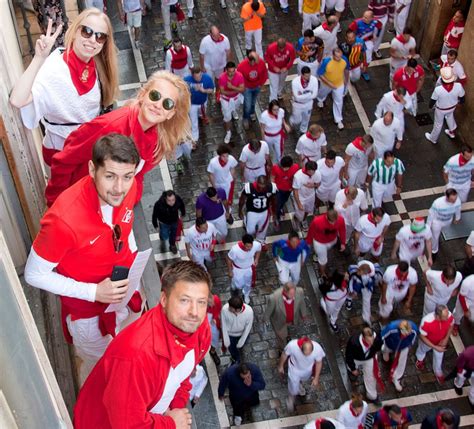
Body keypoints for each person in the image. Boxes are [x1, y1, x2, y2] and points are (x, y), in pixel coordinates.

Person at [25, 135, 143, 386]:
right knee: (101, 367)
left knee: (125, 351)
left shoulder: (129, 187)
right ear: (92, 169)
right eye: (110, 175)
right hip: (88, 313)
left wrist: (131, 260)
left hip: (124, 289)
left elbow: (127, 224)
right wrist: (94, 292)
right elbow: (33, 274)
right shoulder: (63, 220)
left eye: (127, 176)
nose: (119, 188)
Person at [73, 261, 212, 428]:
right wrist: (170, 424)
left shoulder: (200, 330)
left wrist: (176, 405)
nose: (194, 312)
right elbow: (126, 424)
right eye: (184, 300)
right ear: (164, 299)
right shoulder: (135, 357)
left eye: (201, 302)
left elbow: (183, 376)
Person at [45, 70, 191, 206]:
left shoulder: (156, 143)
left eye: (167, 104)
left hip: (103, 204)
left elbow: (137, 175)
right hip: (78, 199)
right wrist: (56, 204)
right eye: (155, 96)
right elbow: (64, 160)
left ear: (171, 114)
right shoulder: (111, 126)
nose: (158, 105)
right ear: (143, 95)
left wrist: (129, 201)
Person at [10, 10, 118, 166]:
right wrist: (39, 58)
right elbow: (17, 100)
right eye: (87, 32)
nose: (93, 40)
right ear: (75, 32)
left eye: (100, 36)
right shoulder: (55, 69)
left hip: (89, 148)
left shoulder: (99, 67)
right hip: (62, 152)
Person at [278, 337, 325, 412]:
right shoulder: (292, 345)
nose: (307, 356)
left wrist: (316, 378)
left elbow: (319, 362)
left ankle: (299, 385)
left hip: (307, 370)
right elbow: (284, 354)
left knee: (303, 380)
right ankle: (291, 398)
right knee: (293, 385)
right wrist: (281, 366)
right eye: (305, 354)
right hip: (294, 369)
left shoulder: (318, 348)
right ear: (300, 347)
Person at [425, 67, 466, 145]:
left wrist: (430, 107)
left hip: (440, 110)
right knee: (450, 117)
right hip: (452, 107)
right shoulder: (459, 86)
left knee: (438, 124)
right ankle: (452, 131)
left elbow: (432, 101)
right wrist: (458, 104)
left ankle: (433, 138)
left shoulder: (438, 90)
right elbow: (462, 99)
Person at [415, 304, 454, 383]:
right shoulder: (426, 321)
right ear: (437, 316)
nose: (447, 318)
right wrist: (434, 347)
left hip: (441, 342)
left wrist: (446, 338)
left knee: (439, 358)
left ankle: (438, 372)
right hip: (428, 342)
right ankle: (420, 359)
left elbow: (451, 325)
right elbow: (422, 336)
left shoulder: (449, 315)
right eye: (445, 317)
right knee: (422, 350)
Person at [345, 326, 383, 405]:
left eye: (372, 340)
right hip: (356, 359)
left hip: (370, 358)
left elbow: (379, 347)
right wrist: (353, 369)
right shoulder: (353, 341)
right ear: (363, 337)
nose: (371, 343)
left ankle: (372, 396)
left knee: (371, 376)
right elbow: (349, 356)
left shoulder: (378, 338)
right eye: (369, 341)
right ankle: (352, 375)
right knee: (351, 369)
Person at [264, 282, 308, 350]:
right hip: (279, 322)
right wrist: (265, 319)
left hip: (293, 319)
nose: (293, 296)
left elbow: (302, 303)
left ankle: (289, 336)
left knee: (292, 331)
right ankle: (283, 349)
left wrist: (304, 314)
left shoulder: (300, 291)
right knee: (281, 338)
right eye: (291, 294)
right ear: (285, 291)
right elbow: (268, 311)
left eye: (294, 293)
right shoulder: (274, 298)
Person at [238, 175, 277, 247]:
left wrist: (274, 212)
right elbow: (242, 200)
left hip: (264, 211)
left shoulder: (271, 187)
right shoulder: (249, 187)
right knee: (250, 231)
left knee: (263, 229)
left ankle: (260, 242)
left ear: (267, 183)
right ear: (257, 182)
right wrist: (240, 211)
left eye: (264, 186)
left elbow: (274, 200)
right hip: (252, 211)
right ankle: (245, 222)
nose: (262, 188)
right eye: (260, 185)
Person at [316, 48, 350, 130]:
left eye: (340, 56)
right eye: (337, 57)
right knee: (322, 93)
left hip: (339, 84)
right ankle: (320, 99)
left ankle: (338, 119)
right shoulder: (326, 61)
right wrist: (329, 83)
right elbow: (320, 74)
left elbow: (346, 69)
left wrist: (346, 79)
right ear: (333, 55)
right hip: (326, 83)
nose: (339, 59)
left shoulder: (344, 60)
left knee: (339, 101)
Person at [306, 209, 346, 277]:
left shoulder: (341, 219)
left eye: (335, 221)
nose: (333, 224)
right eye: (331, 221)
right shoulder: (317, 221)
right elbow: (311, 232)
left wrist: (343, 243)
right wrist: (308, 243)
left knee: (326, 253)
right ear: (326, 217)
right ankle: (322, 273)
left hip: (333, 240)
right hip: (320, 243)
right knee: (323, 260)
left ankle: (317, 255)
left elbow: (342, 230)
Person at [381, 319, 418, 392]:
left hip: (404, 346)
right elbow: (382, 336)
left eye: (408, 333)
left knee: (402, 361)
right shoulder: (391, 327)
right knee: (386, 350)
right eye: (405, 333)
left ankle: (396, 377)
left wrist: (407, 346)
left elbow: (413, 339)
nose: (406, 335)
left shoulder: (414, 329)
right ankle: (385, 351)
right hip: (390, 344)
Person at [348, 10, 383, 81]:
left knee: (368, 59)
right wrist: (351, 39)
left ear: (371, 18)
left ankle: (364, 71)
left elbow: (380, 27)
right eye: (363, 16)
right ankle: (351, 70)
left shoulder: (376, 22)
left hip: (368, 42)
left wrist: (376, 36)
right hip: (357, 42)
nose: (364, 18)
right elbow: (349, 30)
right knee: (354, 57)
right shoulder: (357, 22)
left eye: (366, 17)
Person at [237, 50, 268, 129]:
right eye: (253, 62)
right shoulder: (242, 66)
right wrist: (242, 87)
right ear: (249, 60)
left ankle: (252, 112)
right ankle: (245, 118)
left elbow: (264, 73)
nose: (254, 64)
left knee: (253, 101)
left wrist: (261, 84)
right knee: (247, 104)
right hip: (247, 88)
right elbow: (238, 77)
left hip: (257, 86)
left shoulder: (261, 62)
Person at [227, 234, 262, 303]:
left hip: (249, 269)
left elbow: (258, 250)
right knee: (238, 285)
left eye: (251, 246)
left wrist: (256, 259)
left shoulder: (256, 245)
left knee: (248, 283)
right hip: (238, 269)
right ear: (243, 243)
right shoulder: (235, 249)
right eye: (247, 246)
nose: (249, 248)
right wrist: (230, 271)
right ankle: (233, 283)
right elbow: (229, 259)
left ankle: (246, 294)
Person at [346, 260, 383, 325]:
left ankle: (366, 317)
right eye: (358, 270)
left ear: (366, 273)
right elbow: (350, 281)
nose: (358, 272)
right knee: (350, 293)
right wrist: (351, 291)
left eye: (360, 272)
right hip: (357, 284)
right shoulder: (354, 273)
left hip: (367, 286)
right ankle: (349, 301)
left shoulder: (374, 274)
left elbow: (378, 279)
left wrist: (375, 284)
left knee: (367, 301)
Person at [184, 66, 215, 144]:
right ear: (192, 75)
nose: (199, 79)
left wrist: (204, 90)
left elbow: (211, 90)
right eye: (196, 77)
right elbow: (181, 89)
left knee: (202, 113)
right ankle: (195, 137)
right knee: (194, 121)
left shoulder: (207, 78)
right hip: (192, 104)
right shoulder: (186, 80)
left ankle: (202, 116)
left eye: (200, 76)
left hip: (202, 102)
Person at [207, 144, 238, 219]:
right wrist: (214, 186)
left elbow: (233, 168)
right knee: (219, 199)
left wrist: (233, 178)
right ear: (220, 155)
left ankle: (228, 212)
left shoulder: (231, 159)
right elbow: (211, 175)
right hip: (218, 184)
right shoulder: (213, 162)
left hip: (227, 183)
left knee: (227, 199)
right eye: (224, 156)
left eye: (227, 156)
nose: (226, 158)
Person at [427, 189, 461, 256]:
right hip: (437, 222)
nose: (454, 201)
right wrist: (428, 225)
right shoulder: (437, 203)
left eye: (455, 198)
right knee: (435, 237)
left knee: (442, 232)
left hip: (448, 221)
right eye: (452, 200)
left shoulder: (457, 201)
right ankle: (434, 251)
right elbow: (431, 214)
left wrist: (457, 218)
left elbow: (458, 209)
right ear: (446, 197)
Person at [221, 295, 254, 363]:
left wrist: (242, 340)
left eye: (230, 308)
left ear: (237, 309)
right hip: (231, 335)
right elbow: (223, 324)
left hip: (242, 334)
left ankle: (240, 353)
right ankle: (235, 359)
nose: (228, 308)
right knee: (232, 350)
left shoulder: (249, 311)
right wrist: (226, 339)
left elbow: (248, 327)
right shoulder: (224, 309)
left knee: (242, 346)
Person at [152, 189, 186, 254]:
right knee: (164, 236)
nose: (172, 202)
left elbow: (182, 205)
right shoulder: (159, 204)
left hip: (174, 221)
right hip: (164, 223)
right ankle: (161, 236)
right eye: (169, 200)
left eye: (173, 200)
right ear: (165, 199)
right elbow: (154, 215)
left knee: (173, 234)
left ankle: (172, 245)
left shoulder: (177, 199)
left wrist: (183, 213)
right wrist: (155, 225)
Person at [219, 62, 245, 144]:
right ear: (226, 70)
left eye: (233, 71)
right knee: (227, 117)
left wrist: (231, 87)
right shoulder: (222, 77)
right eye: (229, 71)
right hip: (226, 100)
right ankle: (228, 132)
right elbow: (222, 92)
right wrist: (235, 91)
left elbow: (242, 89)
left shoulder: (240, 75)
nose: (231, 73)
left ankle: (234, 111)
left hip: (236, 99)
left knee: (235, 108)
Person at [292, 161, 321, 231]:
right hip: (300, 197)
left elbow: (318, 183)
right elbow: (295, 191)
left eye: (314, 171)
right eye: (311, 171)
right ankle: (296, 219)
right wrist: (299, 204)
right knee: (299, 212)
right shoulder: (298, 176)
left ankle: (303, 220)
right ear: (307, 169)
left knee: (308, 210)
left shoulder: (317, 173)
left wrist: (313, 186)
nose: (312, 173)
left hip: (310, 196)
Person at [290, 67, 319, 133]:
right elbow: (297, 97)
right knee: (297, 119)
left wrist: (302, 96)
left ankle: (303, 130)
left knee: (306, 118)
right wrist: (309, 94)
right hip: (297, 104)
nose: (308, 77)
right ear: (302, 75)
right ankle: (292, 120)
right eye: (306, 76)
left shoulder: (314, 80)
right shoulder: (295, 82)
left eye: (309, 75)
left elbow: (314, 95)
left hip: (308, 103)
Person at [272, 155, 300, 221]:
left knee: (284, 200)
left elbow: (295, 178)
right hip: (278, 189)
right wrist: (273, 189)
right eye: (282, 167)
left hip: (288, 189)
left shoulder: (295, 167)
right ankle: (277, 215)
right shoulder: (275, 167)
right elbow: (272, 178)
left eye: (286, 168)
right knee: (277, 203)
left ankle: (280, 208)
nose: (284, 169)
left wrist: (293, 187)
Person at [207, 293, 223, 366]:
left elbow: (219, 309)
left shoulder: (216, 299)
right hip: (204, 322)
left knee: (215, 338)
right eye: (209, 302)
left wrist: (215, 317)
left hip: (213, 323)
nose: (212, 304)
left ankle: (212, 351)